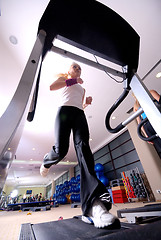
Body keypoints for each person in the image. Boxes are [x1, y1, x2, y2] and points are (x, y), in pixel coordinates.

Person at [40, 62, 120, 229]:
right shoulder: (65, 79)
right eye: (74, 67)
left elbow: (79, 105)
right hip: (63, 112)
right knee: (61, 150)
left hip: (79, 114)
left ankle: (94, 206)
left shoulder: (82, 90)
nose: (77, 69)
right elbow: (51, 87)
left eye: (79, 68)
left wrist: (87, 104)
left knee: (84, 148)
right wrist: (73, 81)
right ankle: (46, 162)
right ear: (68, 70)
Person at [133, 90, 161, 158]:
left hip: (153, 121)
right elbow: (140, 123)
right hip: (150, 124)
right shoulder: (136, 106)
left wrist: (147, 135)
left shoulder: (150, 92)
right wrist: (146, 136)